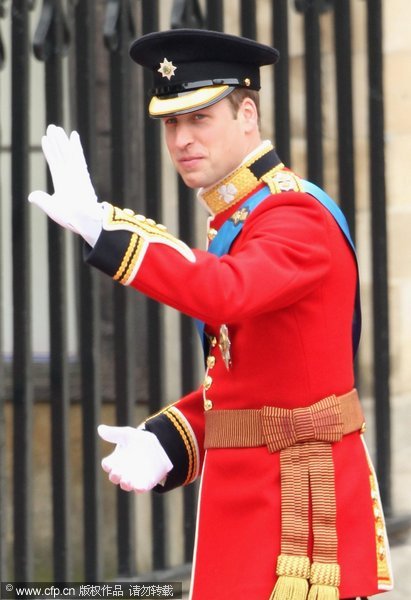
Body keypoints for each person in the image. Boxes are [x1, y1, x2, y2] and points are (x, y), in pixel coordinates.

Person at [29, 28, 393, 600]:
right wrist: (169, 442)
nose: (181, 139)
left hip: (298, 519)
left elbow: (224, 292)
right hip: (261, 507)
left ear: (247, 114)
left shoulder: (293, 214)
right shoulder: (242, 219)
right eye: (171, 123)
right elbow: (255, 389)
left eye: (200, 118)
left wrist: (109, 231)